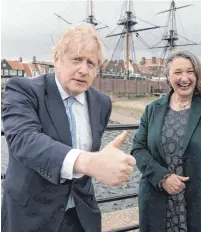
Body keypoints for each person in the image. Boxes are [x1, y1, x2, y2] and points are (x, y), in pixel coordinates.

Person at [1, 24, 136, 232]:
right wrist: (89, 163)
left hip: (80, 217)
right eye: (76, 59)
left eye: (91, 63)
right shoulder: (23, 90)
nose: (84, 69)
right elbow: (24, 140)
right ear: (57, 59)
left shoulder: (101, 103)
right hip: (32, 216)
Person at [131, 50, 201, 232]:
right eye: (177, 72)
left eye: (190, 71)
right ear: (168, 77)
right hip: (159, 203)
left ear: (197, 74)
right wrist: (162, 177)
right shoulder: (152, 109)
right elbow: (138, 148)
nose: (184, 78)